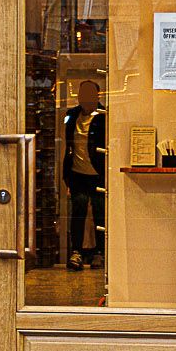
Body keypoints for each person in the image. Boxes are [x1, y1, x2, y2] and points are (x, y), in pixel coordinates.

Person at [60, 79, 107, 271]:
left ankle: (100, 253)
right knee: (78, 212)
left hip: (98, 173)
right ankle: (77, 252)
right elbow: (68, 144)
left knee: (99, 212)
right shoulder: (71, 115)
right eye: (82, 93)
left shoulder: (104, 116)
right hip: (77, 173)